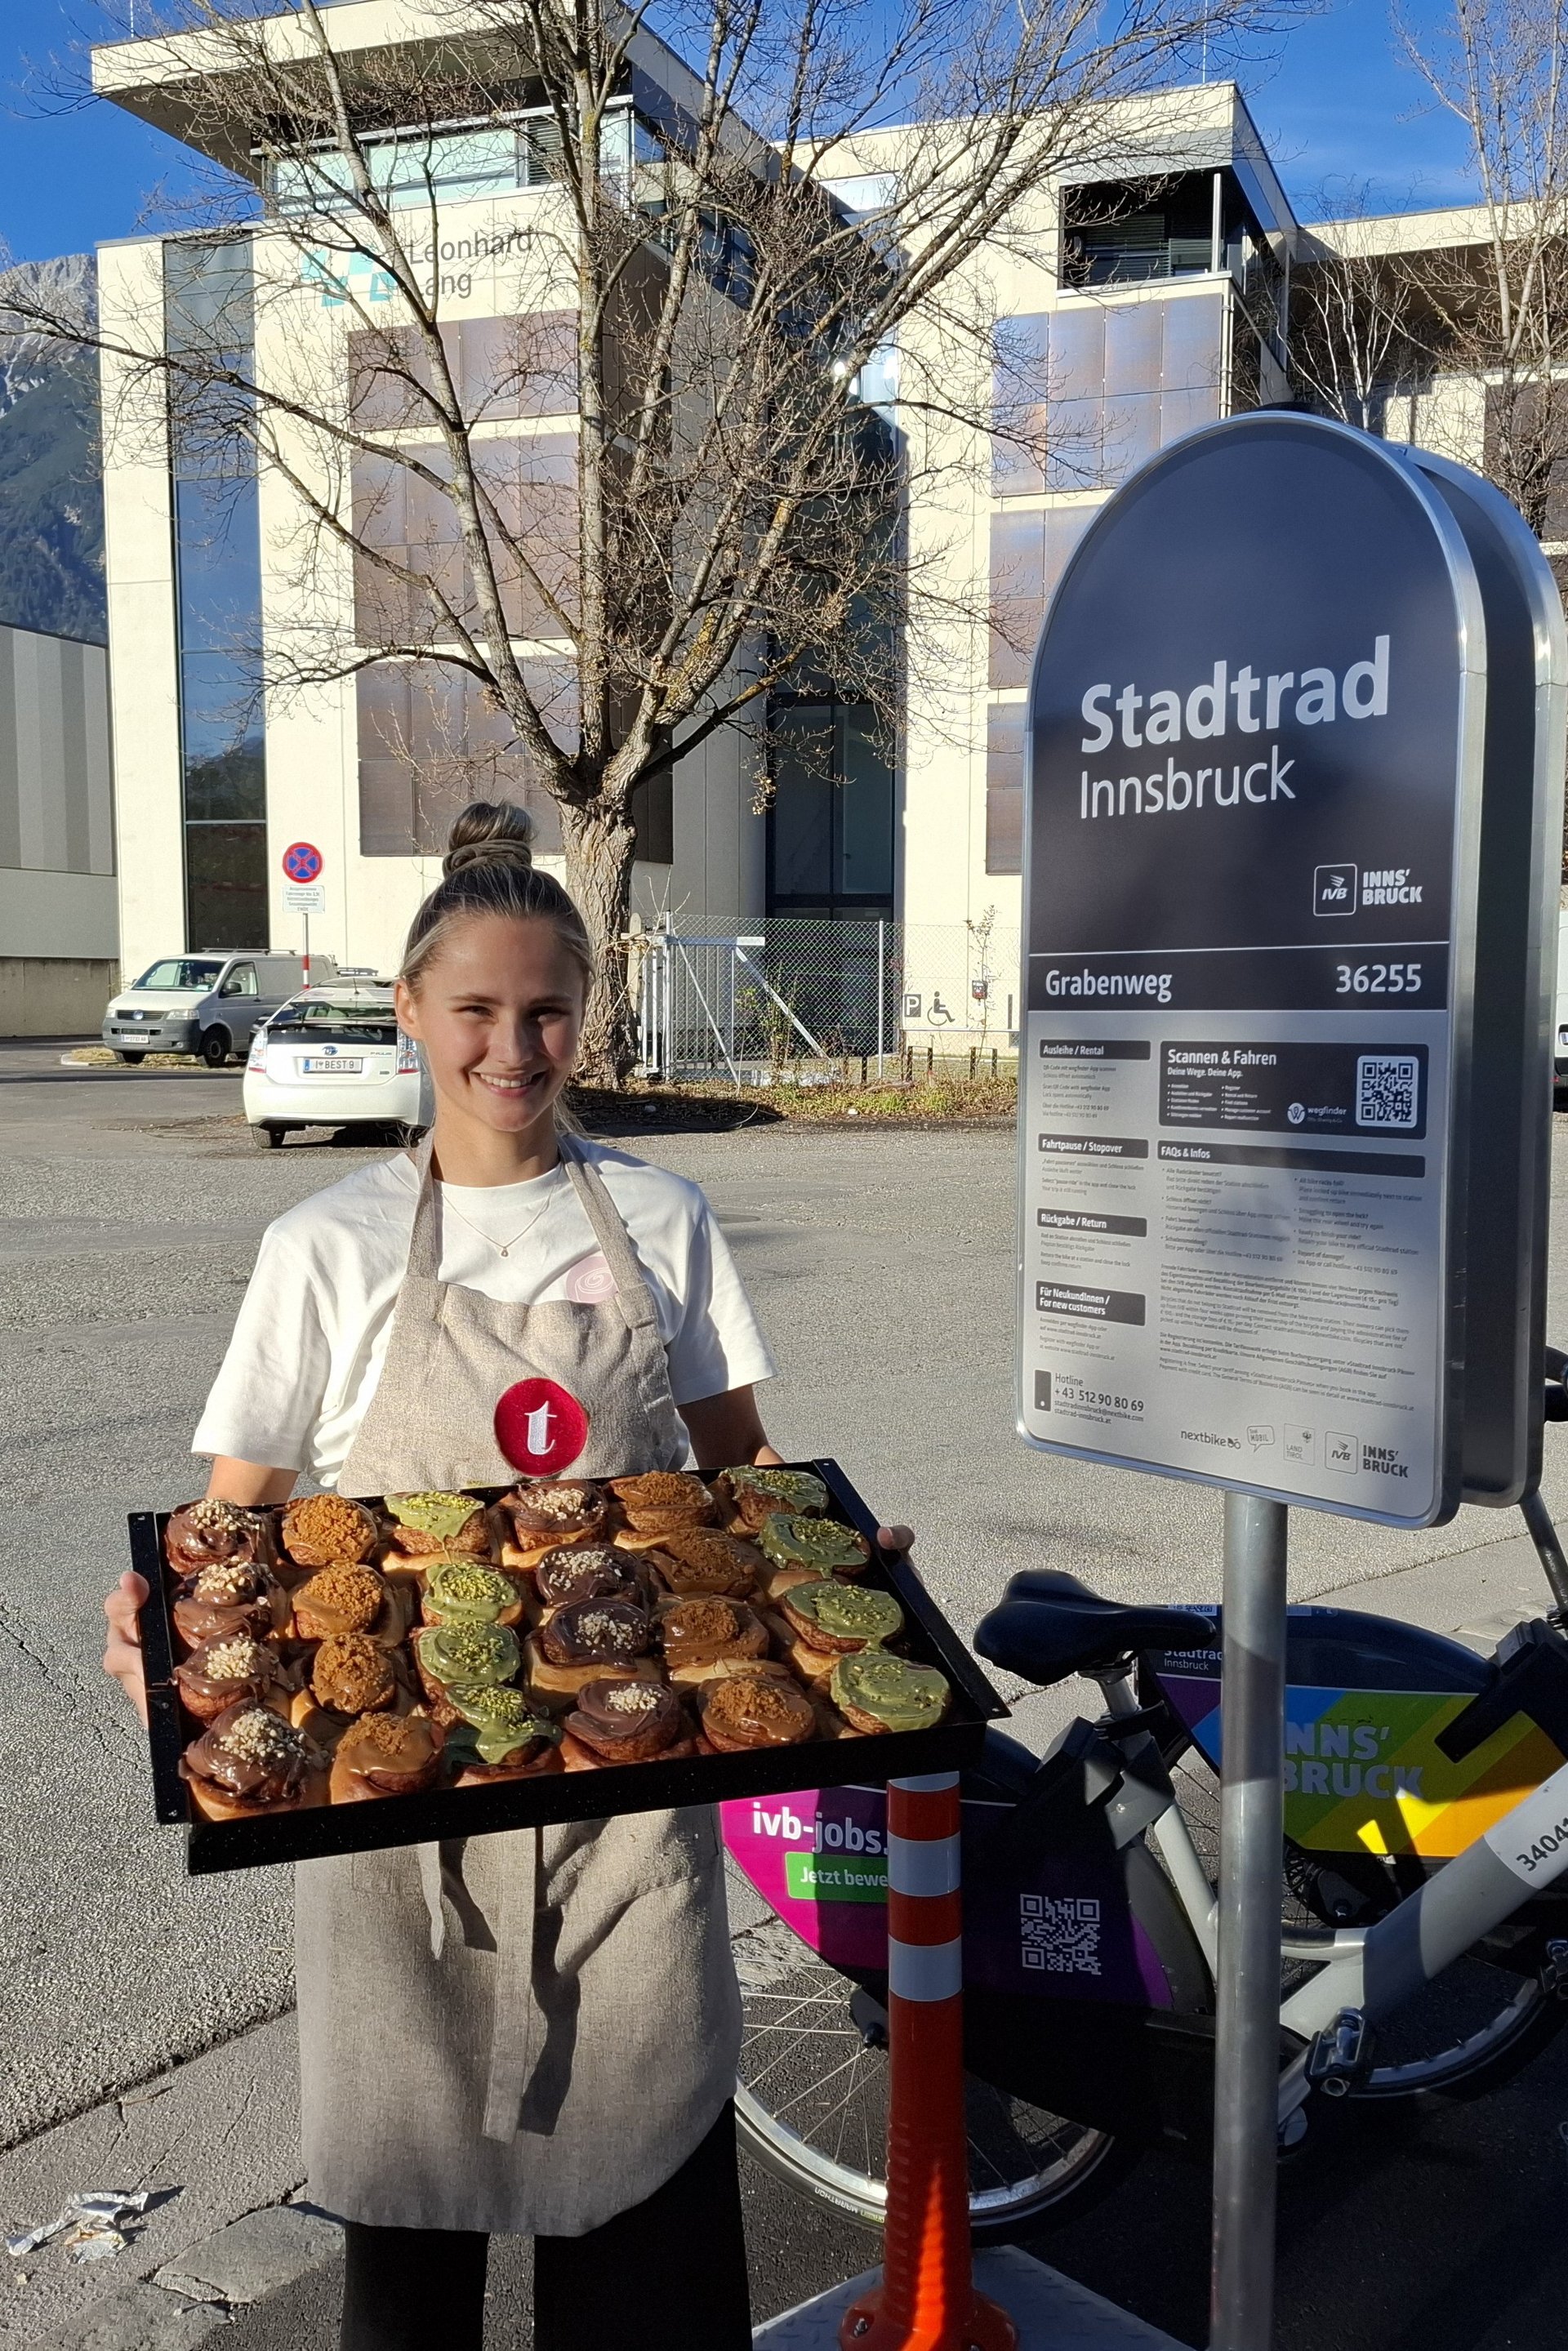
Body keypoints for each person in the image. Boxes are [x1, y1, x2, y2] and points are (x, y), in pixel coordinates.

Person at [104, 802, 911, 2351]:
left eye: (546, 1010)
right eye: (474, 1008)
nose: (512, 1047)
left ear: (583, 1015)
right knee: (412, 2272)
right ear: (411, 1011)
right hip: (394, 1832)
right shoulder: (327, 1244)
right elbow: (232, 1529)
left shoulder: (663, 1219)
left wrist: (837, 1559)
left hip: (624, 1810)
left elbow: (739, 1475)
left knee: (646, 2243)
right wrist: (158, 1633)